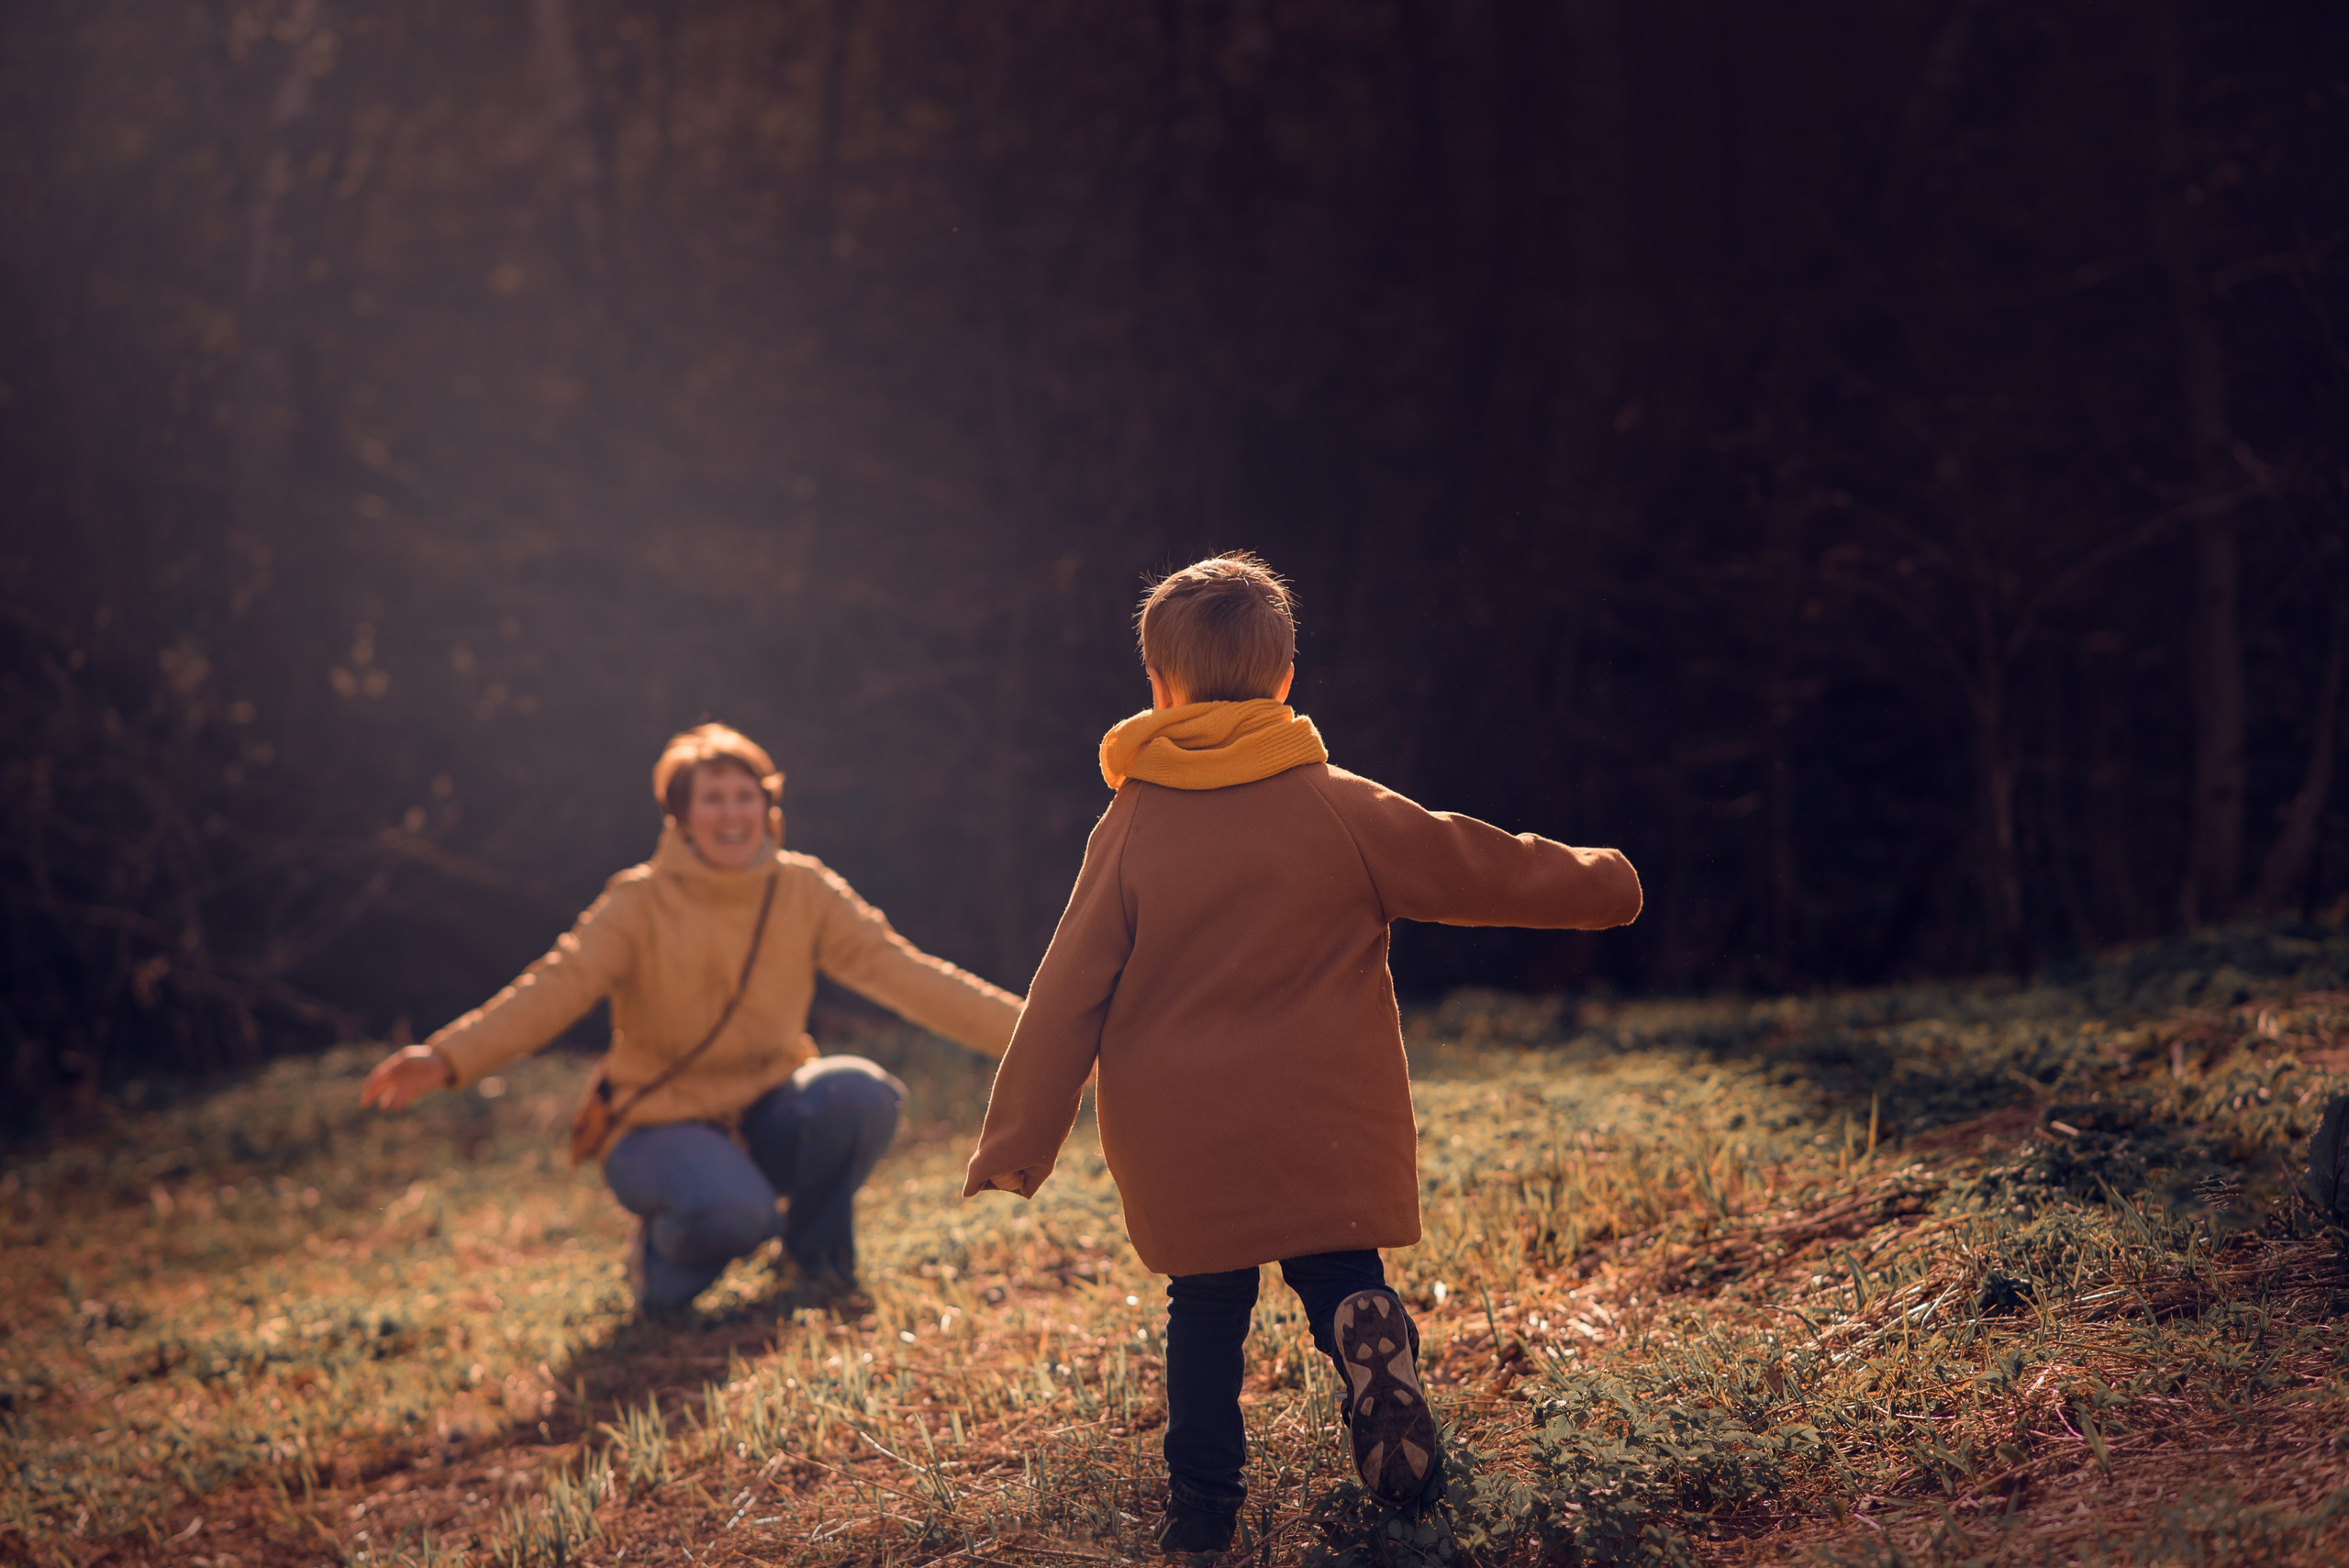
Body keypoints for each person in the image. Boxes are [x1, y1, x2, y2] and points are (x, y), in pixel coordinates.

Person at [961, 554, 1641, 1553]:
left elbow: (1067, 988)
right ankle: (1369, 1342)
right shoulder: (1337, 802)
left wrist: (1018, 1139)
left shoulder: (1134, 821)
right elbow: (1475, 862)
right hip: (1323, 1112)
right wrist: (1604, 881)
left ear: (1160, 685)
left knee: (1203, 1304)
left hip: (1182, 1131)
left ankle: (1201, 1506)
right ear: (1284, 679)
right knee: (1336, 1266)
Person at [362, 723, 1023, 1317]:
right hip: (655, 1122)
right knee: (737, 1214)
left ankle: (815, 1262)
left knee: (860, 1093)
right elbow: (553, 988)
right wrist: (448, 1057)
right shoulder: (638, 900)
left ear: (768, 805)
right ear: (681, 815)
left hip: (768, 1107)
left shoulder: (804, 889)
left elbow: (913, 976)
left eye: (745, 795)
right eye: (712, 798)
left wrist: (1043, 1039)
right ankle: (658, 1261)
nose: (731, 812)